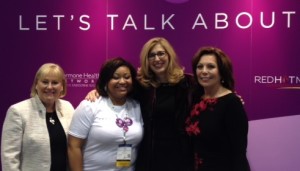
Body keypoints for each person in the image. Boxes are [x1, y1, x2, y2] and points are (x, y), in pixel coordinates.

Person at [85, 37, 195, 171]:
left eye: (161, 53)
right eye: (151, 55)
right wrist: (98, 91)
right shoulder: (142, 86)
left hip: (180, 156)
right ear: (146, 60)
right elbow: (119, 88)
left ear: (169, 56)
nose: (157, 59)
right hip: (148, 157)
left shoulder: (188, 84)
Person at [67, 57, 143, 171]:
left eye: (127, 77)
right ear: (106, 81)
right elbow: (74, 146)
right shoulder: (90, 105)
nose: (122, 81)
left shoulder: (137, 106)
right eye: (115, 77)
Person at [185, 46, 250, 171]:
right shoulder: (195, 98)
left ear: (222, 72)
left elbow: (239, 153)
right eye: (200, 67)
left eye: (211, 66)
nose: (204, 71)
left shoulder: (232, 103)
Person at [1, 63, 74, 171]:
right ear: (36, 84)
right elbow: (9, 157)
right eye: (45, 82)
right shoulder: (18, 111)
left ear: (62, 86)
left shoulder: (68, 107)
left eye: (55, 82)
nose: (49, 87)